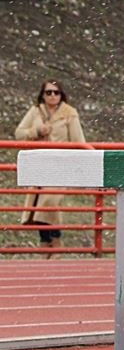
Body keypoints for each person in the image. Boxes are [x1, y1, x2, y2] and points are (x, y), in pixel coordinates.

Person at [14, 79, 86, 257]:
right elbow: (19, 133)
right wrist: (36, 131)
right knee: (38, 203)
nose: (52, 96)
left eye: (56, 92)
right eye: (48, 92)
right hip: (40, 163)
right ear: (43, 94)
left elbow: (78, 140)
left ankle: (55, 240)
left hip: (61, 163)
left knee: (49, 202)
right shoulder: (36, 111)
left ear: (62, 95)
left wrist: (79, 162)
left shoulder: (70, 113)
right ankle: (46, 242)